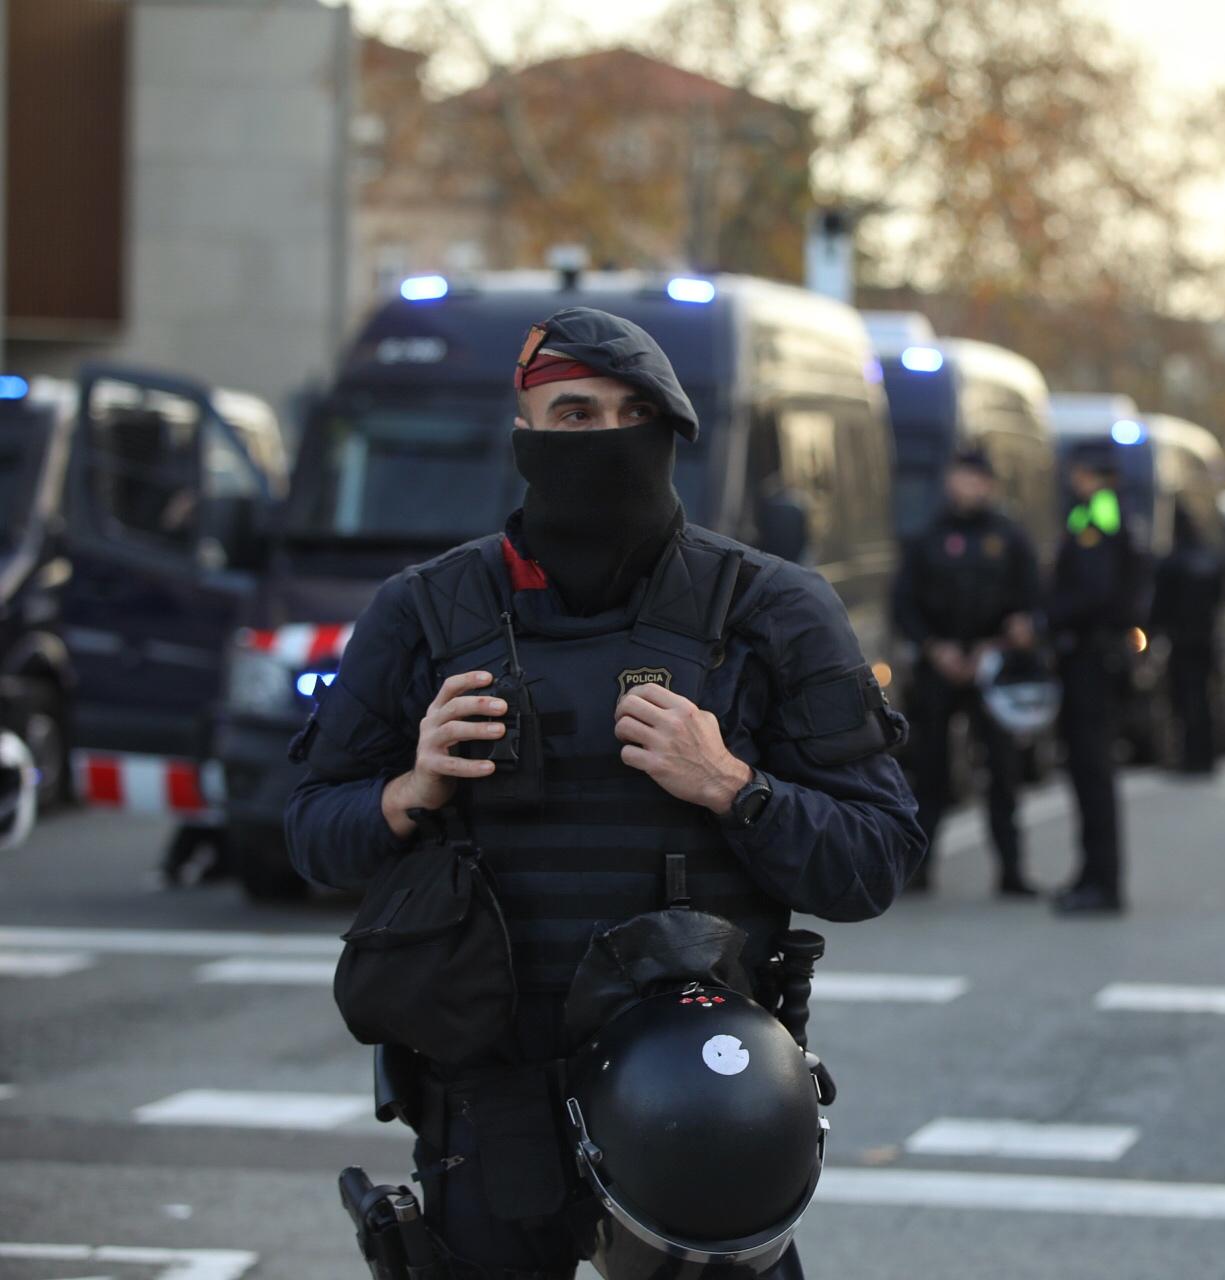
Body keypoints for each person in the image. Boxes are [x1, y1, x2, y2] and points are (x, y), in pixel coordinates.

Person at [284, 306, 925, 1279]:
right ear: (526, 433)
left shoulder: (773, 607)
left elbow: (876, 858)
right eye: (573, 413)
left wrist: (734, 786)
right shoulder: (424, 610)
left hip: (703, 1093)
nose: (603, 436)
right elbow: (307, 830)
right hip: (485, 1096)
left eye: (632, 413)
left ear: (670, 433)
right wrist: (405, 791)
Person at [890, 449, 1042, 896]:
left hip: (991, 669)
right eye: (960, 477)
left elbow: (1030, 601)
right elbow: (904, 604)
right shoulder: (928, 539)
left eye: (975, 479)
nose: (966, 487)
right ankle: (919, 870)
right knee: (928, 772)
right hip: (939, 669)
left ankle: (1011, 870)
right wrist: (935, 649)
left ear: (989, 484)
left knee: (1002, 772)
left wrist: (1003, 641)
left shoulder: (1010, 539)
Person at [1048, 444, 1143, 916]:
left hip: (1091, 657)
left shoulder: (1098, 511)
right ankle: (1092, 875)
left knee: (1092, 771)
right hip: (1095, 655)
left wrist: (1048, 620)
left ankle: (1101, 882)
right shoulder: (1102, 510)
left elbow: (1095, 585)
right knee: (1088, 771)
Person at [1152, 501, 1225, 775]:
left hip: (1181, 642)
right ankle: (1206, 755)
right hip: (1206, 640)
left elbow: (1160, 606)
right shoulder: (1210, 560)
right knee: (1205, 700)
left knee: (1184, 702)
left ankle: (1190, 757)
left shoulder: (1173, 563)